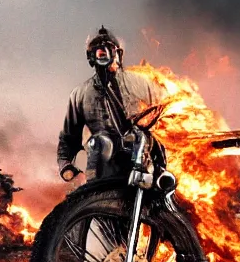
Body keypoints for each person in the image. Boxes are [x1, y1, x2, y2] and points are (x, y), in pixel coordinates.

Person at [58, 26, 162, 182]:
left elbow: (169, 111)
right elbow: (69, 138)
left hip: (142, 159)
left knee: (138, 137)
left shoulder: (141, 83)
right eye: (98, 49)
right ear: (90, 56)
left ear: (118, 54)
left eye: (109, 48)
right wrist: (65, 164)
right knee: (97, 142)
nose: (103, 52)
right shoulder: (80, 94)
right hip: (103, 167)